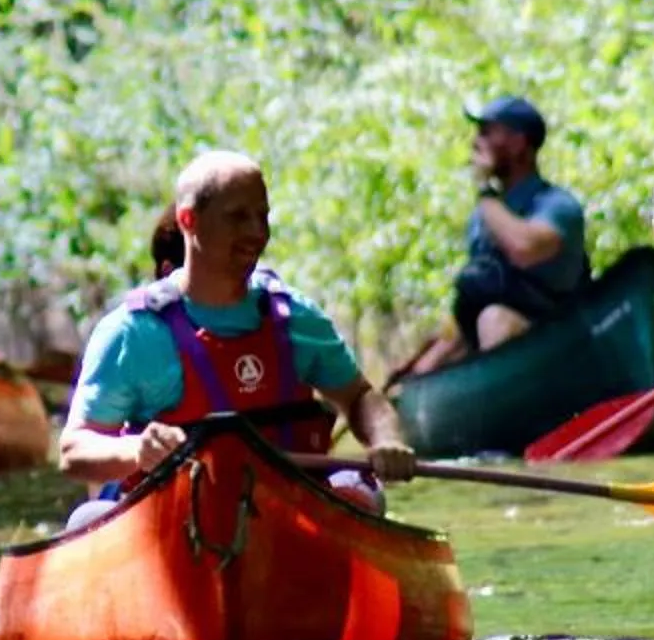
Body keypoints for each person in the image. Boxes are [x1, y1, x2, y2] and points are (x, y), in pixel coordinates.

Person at [58, 151, 417, 507]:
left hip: (290, 513)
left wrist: (385, 438)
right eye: (237, 217)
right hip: (174, 520)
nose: (257, 232)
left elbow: (359, 396)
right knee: (90, 517)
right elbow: (75, 450)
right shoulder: (132, 331)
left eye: (262, 217)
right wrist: (137, 449)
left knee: (363, 494)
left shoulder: (295, 316)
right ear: (188, 220)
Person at [402, 95, 592, 380]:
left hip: (559, 341)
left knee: (495, 319)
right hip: (494, 349)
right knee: (425, 370)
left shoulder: (556, 204)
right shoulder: (482, 219)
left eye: (487, 132)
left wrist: (485, 192)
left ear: (518, 143)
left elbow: (524, 248)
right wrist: (417, 374)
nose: (476, 142)